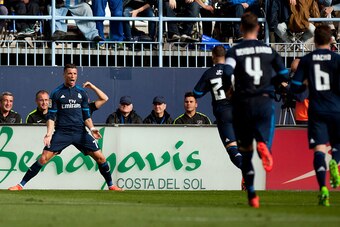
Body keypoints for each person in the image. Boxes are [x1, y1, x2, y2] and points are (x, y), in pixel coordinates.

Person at [8, 64, 122, 191]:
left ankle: (111, 185)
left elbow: (87, 116)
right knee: (44, 158)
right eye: (70, 73)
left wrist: (93, 129)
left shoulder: (82, 93)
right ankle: (20, 185)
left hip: (80, 132)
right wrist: (49, 134)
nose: (72, 76)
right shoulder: (56, 93)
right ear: (64, 75)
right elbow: (51, 117)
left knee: (101, 158)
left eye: (75, 74)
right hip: (62, 132)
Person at [223, 12, 289, 208]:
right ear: (259, 29)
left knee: (245, 153)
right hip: (264, 101)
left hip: (242, 102)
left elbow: (227, 72)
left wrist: (230, 90)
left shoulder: (235, 51)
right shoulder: (268, 50)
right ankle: (264, 147)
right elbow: (284, 73)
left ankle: (252, 195)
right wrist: (273, 83)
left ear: (241, 29)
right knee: (263, 141)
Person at [291, 25, 340, 206]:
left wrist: (304, 83)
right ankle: (335, 161)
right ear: (330, 40)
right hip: (336, 109)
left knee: (319, 149)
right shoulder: (337, 59)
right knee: (337, 144)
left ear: (315, 40)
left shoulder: (307, 60)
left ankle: (323, 190)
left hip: (316, 109)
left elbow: (295, 87)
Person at [193, 45, 244, 188]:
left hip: (224, 112)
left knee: (232, 148)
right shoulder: (235, 70)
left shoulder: (210, 72)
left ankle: (245, 169)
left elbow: (196, 93)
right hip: (240, 111)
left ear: (213, 56)